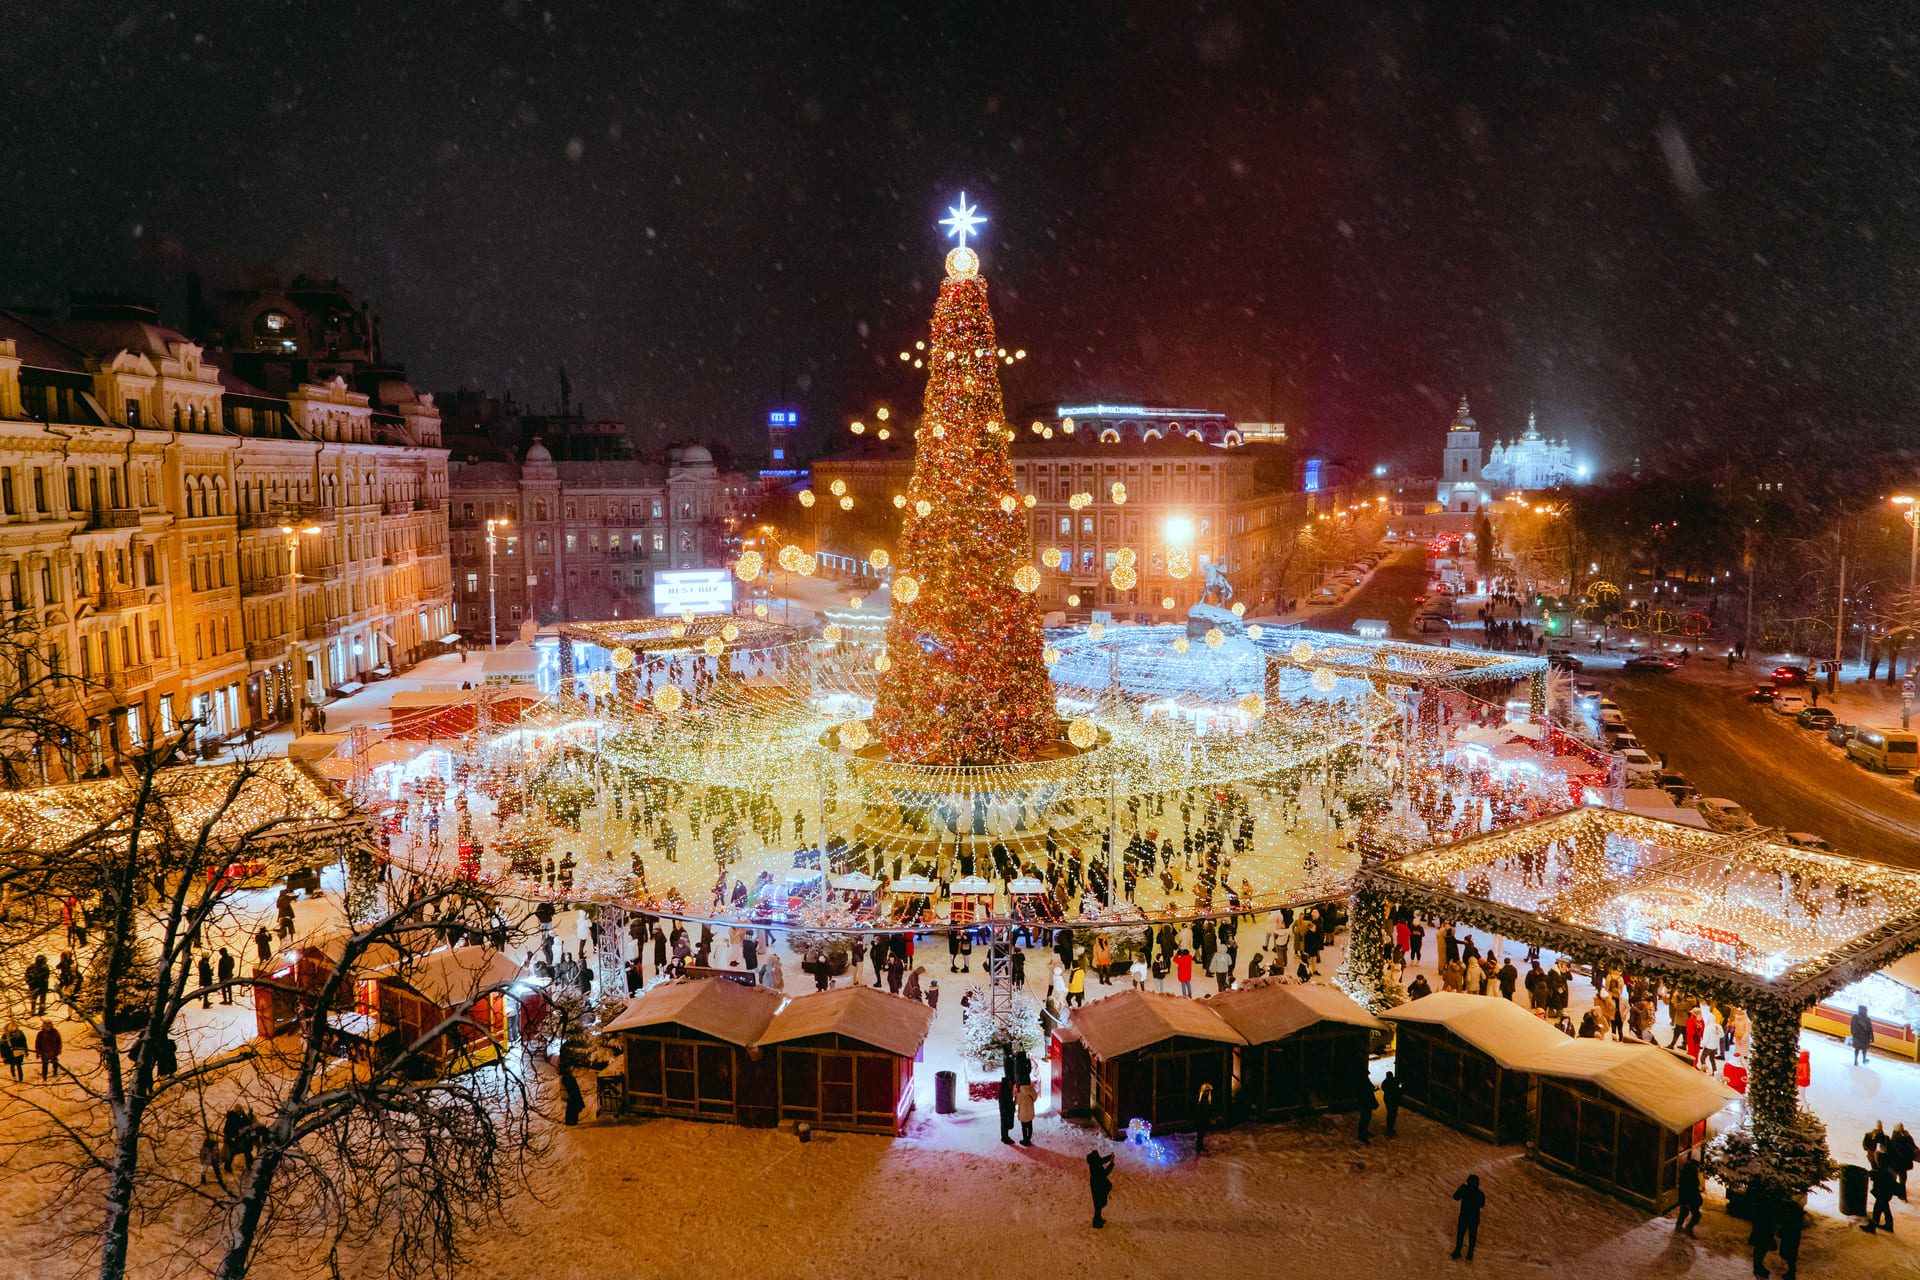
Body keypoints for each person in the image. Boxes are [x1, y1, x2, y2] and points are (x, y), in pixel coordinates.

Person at [1451, 1174, 1485, 1261]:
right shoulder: (1480, 1194)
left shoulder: (1465, 1190)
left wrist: (1462, 1189)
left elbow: (1455, 1197)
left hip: (1464, 1216)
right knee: (1472, 1236)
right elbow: (1482, 1204)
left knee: (1461, 1235)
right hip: (1474, 1217)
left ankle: (1457, 1251)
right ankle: (1469, 1254)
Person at [1674, 1155, 1703, 1235]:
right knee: (1691, 1214)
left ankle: (1681, 1228)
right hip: (1689, 1199)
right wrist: (1687, 1202)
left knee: (1685, 1213)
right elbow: (1690, 1189)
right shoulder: (1690, 1175)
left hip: (1689, 1198)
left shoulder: (1687, 1173)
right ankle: (1685, 1228)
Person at [1867, 1157, 1898, 1233]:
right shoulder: (1891, 1167)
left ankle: (1873, 1226)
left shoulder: (1885, 1169)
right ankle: (1887, 1225)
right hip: (1887, 1192)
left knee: (1879, 1208)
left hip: (1883, 1191)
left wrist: (1872, 1174)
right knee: (1883, 1207)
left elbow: (1882, 1177)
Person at [1087, 1148, 1115, 1228]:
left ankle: (1098, 1219)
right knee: (1098, 1205)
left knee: (1098, 1205)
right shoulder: (1096, 1167)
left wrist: (1109, 1157)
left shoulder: (1094, 1163)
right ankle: (1096, 1222)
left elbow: (1101, 1160)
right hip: (1098, 1186)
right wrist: (1111, 1163)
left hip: (1096, 1185)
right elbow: (1105, 1173)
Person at [1889, 1123, 1917, 1198]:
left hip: (1898, 1163)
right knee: (1902, 1179)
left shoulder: (1897, 1137)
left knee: (1900, 1179)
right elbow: (1910, 1148)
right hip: (1900, 1163)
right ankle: (1902, 1195)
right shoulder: (1901, 1137)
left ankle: (1900, 1194)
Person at [1015, 1078, 1037, 1145]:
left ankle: (1025, 1140)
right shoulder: (1031, 1089)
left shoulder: (1020, 1092)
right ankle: (1028, 1139)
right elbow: (1035, 1097)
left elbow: (1017, 1102)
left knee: (1024, 1126)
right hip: (1030, 1110)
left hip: (1023, 1112)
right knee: (1030, 1125)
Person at [1381, 1069, 1401, 1137]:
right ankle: (1391, 1127)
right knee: (1393, 1113)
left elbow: (1383, 1088)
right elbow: (1399, 1087)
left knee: (1390, 1112)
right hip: (1395, 1099)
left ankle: (1389, 1126)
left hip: (1388, 1099)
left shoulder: (1385, 1082)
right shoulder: (1395, 1081)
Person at [998, 1075, 1016, 1145]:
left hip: (1003, 1109)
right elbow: (1008, 1100)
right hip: (1006, 1109)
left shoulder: (1003, 1089)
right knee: (1005, 1123)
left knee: (1004, 1123)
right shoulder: (1006, 1090)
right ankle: (1005, 1138)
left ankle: (1004, 1137)